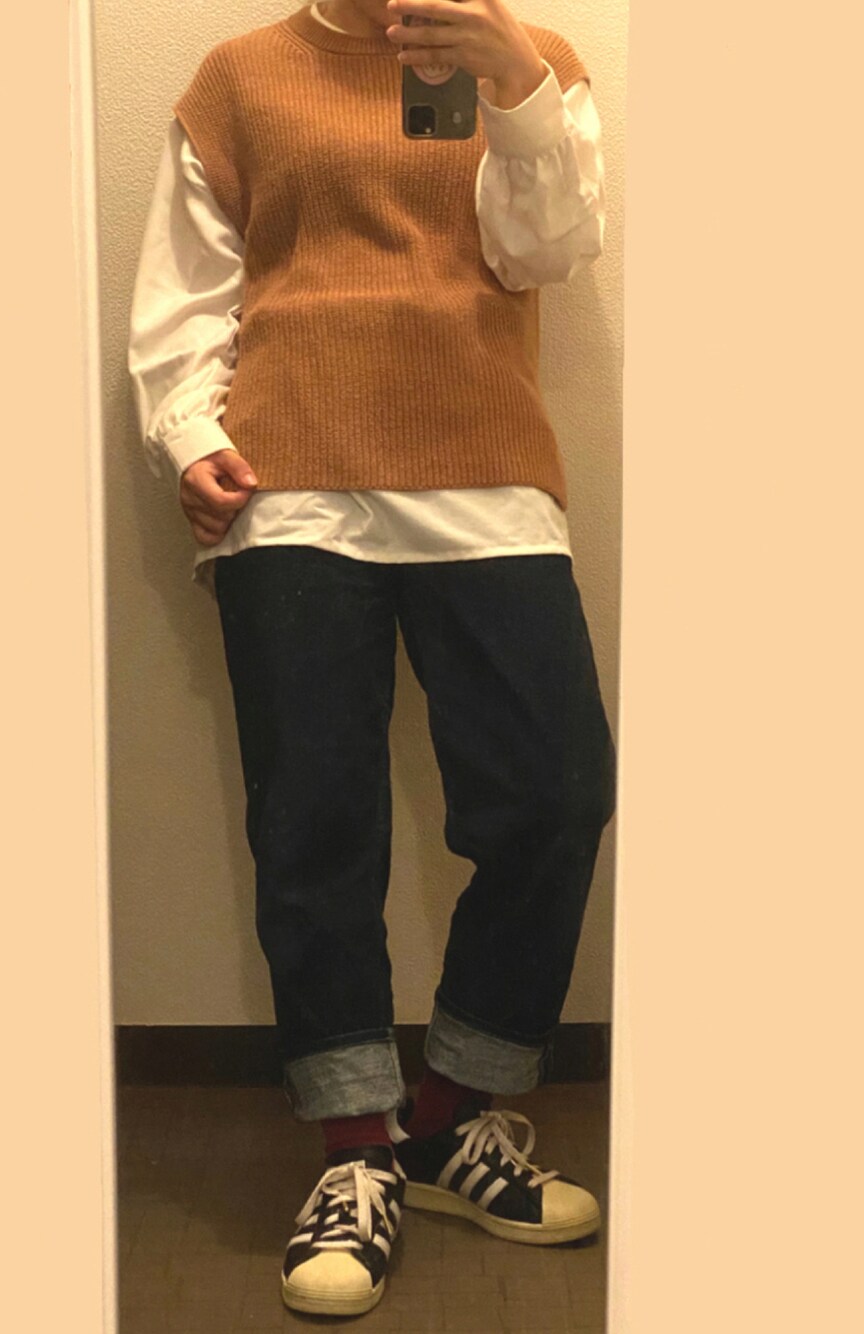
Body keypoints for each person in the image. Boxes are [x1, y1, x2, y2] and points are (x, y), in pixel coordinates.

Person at [128, 0, 616, 1317]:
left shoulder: (526, 55)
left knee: (558, 791)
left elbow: (545, 251)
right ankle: (355, 1148)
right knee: (315, 819)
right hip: (289, 485)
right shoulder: (241, 79)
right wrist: (189, 435)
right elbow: (189, 289)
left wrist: (513, 83)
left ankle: (445, 1119)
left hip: (485, 478)